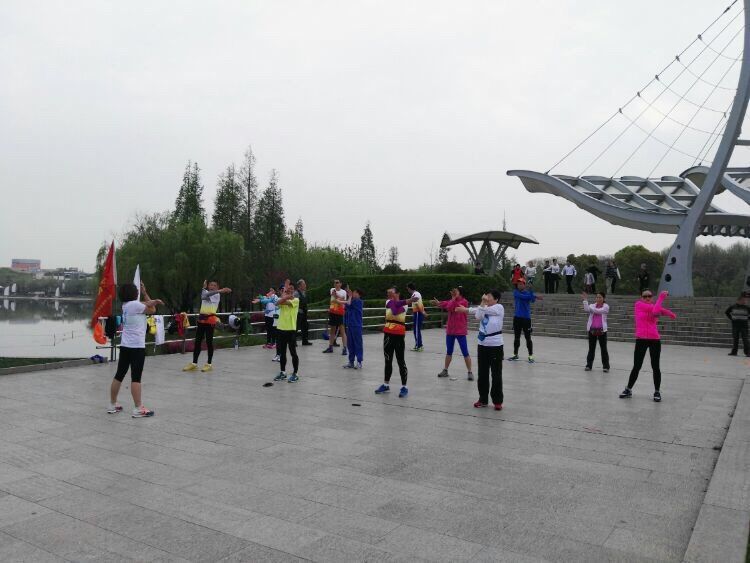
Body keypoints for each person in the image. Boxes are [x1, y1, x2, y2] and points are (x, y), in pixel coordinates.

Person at [108, 282, 163, 417]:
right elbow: (152, 309)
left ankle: (112, 404)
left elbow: (148, 306)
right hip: (137, 347)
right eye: (136, 291)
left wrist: (146, 295)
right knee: (136, 378)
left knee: (119, 375)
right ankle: (138, 408)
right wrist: (150, 297)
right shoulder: (135, 305)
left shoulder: (126, 305)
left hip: (125, 346)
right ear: (132, 293)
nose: (138, 292)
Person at [619, 290, 677, 402]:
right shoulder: (638, 305)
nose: (647, 298)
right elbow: (656, 310)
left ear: (652, 297)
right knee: (637, 366)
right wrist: (661, 298)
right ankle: (628, 389)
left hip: (654, 339)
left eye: (649, 296)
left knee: (656, 367)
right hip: (641, 339)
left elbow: (657, 311)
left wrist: (669, 313)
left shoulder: (655, 306)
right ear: (641, 297)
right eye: (645, 296)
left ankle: (657, 391)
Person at [456, 290, 505, 410]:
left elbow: (480, 310)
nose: (487, 298)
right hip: (482, 344)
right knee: (482, 373)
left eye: (489, 297)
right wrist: (471, 308)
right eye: (486, 296)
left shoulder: (499, 308)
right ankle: (483, 399)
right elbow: (478, 315)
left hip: (496, 345)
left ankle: (497, 401)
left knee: (496, 374)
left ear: (496, 299)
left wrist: (468, 309)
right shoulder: (483, 308)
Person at [183, 280, 232, 372]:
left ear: (217, 287)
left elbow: (206, 295)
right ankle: (194, 363)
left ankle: (209, 364)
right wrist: (204, 288)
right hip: (201, 320)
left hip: (210, 321)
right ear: (208, 286)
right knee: (197, 342)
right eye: (210, 285)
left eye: (214, 285)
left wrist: (219, 291)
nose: (212, 286)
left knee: (209, 342)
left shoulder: (217, 295)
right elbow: (203, 296)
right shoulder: (206, 292)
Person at [375, 287, 415, 398]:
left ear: (397, 293)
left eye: (391, 292)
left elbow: (396, 311)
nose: (389, 294)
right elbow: (393, 307)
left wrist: (406, 302)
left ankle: (404, 387)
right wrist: (407, 300)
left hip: (399, 336)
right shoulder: (388, 302)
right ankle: (386, 385)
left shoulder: (405, 305)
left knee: (401, 361)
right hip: (388, 335)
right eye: (388, 292)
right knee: (388, 360)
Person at [431, 287, 473, 381]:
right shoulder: (452, 300)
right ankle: (445, 370)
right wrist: (439, 303)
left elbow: (451, 307)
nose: (453, 292)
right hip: (450, 331)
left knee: (465, 351)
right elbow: (446, 304)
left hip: (460, 331)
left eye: (456, 291)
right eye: (453, 291)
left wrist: (452, 300)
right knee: (449, 351)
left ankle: (470, 372)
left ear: (460, 293)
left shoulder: (464, 302)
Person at [508, 279, 542, 363]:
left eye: (521, 284)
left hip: (526, 319)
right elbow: (525, 297)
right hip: (517, 318)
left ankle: (530, 356)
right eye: (518, 284)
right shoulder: (516, 292)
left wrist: (531, 293)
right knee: (516, 337)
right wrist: (532, 295)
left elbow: (532, 300)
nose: (519, 285)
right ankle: (515, 355)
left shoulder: (528, 293)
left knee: (528, 338)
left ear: (524, 285)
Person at [273, 285, 301, 382]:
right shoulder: (283, 299)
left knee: (293, 352)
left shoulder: (296, 300)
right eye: (288, 289)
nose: (289, 290)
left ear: (294, 291)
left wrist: (285, 296)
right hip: (281, 329)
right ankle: (283, 372)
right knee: (282, 353)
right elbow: (277, 303)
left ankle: (295, 373)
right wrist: (285, 296)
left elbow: (285, 301)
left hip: (291, 330)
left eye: (291, 289)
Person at [582, 291, 610, 372]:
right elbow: (586, 309)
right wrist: (585, 300)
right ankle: (589, 365)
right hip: (592, 330)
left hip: (602, 330)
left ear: (603, 298)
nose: (598, 299)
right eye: (597, 297)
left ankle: (606, 366)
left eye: (600, 297)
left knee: (603, 349)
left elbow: (599, 311)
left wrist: (591, 309)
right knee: (591, 348)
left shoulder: (606, 306)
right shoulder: (592, 305)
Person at [323, 279, 347, 355]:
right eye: (334, 283)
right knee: (332, 330)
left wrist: (338, 298)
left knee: (342, 330)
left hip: (340, 312)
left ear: (340, 284)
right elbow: (336, 298)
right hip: (333, 312)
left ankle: (345, 348)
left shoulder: (344, 292)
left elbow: (342, 301)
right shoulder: (332, 289)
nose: (335, 284)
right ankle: (330, 347)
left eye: (337, 282)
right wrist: (338, 298)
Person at [342, 288, 364, 369]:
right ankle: (351, 362)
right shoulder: (352, 301)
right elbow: (345, 305)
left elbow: (347, 303)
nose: (353, 294)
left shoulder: (358, 301)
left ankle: (359, 362)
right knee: (350, 344)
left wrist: (350, 296)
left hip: (357, 326)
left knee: (357, 344)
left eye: (355, 293)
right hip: (350, 325)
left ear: (359, 294)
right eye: (353, 293)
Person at [406, 282, 426, 351]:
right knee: (416, 330)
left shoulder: (415, 294)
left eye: (407, 289)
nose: (407, 290)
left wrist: (423, 312)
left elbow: (417, 304)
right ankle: (419, 344)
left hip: (417, 313)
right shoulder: (416, 293)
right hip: (417, 313)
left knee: (416, 330)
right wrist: (423, 312)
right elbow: (420, 304)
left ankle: (419, 346)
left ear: (409, 288)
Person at [294, 279, 312, 345]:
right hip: (298, 313)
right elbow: (294, 303)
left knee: (305, 327)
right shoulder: (296, 293)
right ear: (299, 286)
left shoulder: (304, 293)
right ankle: (293, 341)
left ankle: (305, 341)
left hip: (304, 312)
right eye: (304, 284)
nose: (305, 285)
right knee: (296, 327)